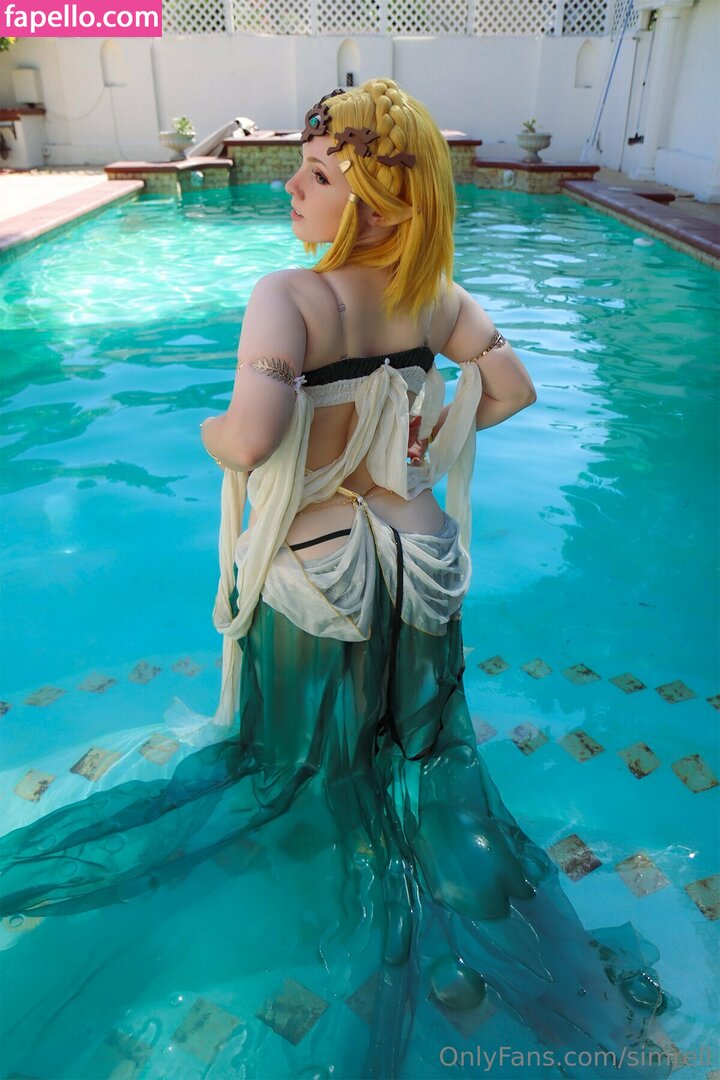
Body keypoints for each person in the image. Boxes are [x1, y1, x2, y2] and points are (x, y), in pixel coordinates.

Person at [0, 79, 678, 1080]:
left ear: (375, 204)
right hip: (422, 547)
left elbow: (253, 439)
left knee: (303, 772)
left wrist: (208, 432)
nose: (292, 189)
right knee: (419, 753)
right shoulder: (436, 298)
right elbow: (513, 389)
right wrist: (427, 432)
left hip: (319, 565)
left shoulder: (289, 297)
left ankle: (336, 878)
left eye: (317, 176)